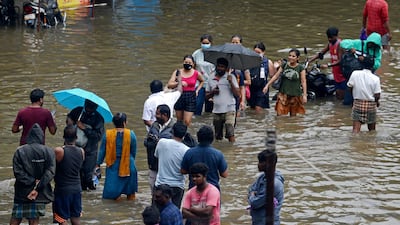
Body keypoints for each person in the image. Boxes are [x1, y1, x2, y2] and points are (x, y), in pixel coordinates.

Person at [10, 123, 56, 225]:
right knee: (34, 219)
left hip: (22, 192)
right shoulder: (49, 151)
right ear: (41, 137)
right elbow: (50, 172)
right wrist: (38, 186)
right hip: (39, 193)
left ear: (29, 137)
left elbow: (18, 172)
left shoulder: (20, 151)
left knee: (16, 218)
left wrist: (31, 181)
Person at [96, 112, 138, 200]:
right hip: (128, 165)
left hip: (113, 165)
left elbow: (102, 152)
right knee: (130, 194)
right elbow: (133, 152)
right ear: (124, 123)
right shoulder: (131, 134)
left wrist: (98, 164)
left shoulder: (107, 134)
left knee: (112, 194)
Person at [66, 99, 105, 191]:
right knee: (73, 173)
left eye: (90, 109)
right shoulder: (77, 111)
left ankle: (89, 189)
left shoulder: (98, 119)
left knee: (87, 175)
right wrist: (70, 122)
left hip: (90, 151)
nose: (88, 110)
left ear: (95, 108)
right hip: (74, 149)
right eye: (86, 107)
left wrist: (84, 128)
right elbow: (69, 120)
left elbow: (98, 136)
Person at [53, 125, 85, 225]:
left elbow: (51, 167)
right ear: (76, 137)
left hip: (63, 190)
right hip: (76, 189)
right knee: (75, 219)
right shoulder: (81, 151)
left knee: (62, 219)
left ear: (63, 137)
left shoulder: (59, 151)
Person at [181, 125, 228, 191]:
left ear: (198, 137)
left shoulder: (189, 152)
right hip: (213, 190)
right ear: (212, 138)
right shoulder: (218, 154)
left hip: (194, 189)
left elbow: (183, 171)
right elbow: (224, 174)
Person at [340, 32, 382, 105]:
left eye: (373, 44)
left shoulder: (377, 51)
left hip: (368, 73)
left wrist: (364, 60)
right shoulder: (359, 43)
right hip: (354, 71)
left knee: (365, 93)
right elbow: (343, 43)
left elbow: (377, 64)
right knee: (349, 98)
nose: (370, 45)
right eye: (370, 43)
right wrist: (350, 48)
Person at [154, 121, 190, 208]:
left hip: (161, 184)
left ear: (172, 131)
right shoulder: (187, 150)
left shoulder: (162, 142)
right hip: (177, 186)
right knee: (174, 214)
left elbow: (156, 156)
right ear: (184, 135)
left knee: (156, 214)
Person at [263, 49, 307, 116]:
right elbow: (276, 76)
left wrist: (304, 95)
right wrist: (267, 85)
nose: (291, 57)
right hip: (283, 94)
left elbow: (303, 81)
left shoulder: (300, 68)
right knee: (279, 115)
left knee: (293, 117)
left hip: (295, 95)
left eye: (293, 56)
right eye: (289, 55)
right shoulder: (284, 65)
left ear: (298, 58)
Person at [205, 57, 240, 142]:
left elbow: (237, 94)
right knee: (217, 136)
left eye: (222, 67)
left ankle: (232, 151)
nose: (220, 68)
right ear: (216, 66)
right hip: (217, 110)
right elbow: (206, 97)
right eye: (219, 66)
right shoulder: (211, 78)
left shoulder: (231, 77)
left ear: (226, 68)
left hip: (229, 109)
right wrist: (213, 92)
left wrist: (231, 82)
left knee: (230, 131)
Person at [248, 149, 285, 225]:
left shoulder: (273, 184)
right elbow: (251, 190)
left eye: (261, 162)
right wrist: (252, 194)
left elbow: (255, 203)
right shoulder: (262, 177)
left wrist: (253, 195)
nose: (258, 164)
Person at [144, 104, 175, 192]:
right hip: (154, 165)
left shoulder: (174, 128)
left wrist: (160, 142)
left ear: (164, 115)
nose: (155, 116)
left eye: (157, 114)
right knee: (153, 190)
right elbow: (146, 142)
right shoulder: (154, 126)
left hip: (167, 168)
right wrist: (153, 142)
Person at [309, 27, 346, 100]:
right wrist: (310, 60)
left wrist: (328, 65)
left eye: (331, 38)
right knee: (338, 94)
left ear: (336, 36)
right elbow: (321, 53)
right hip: (335, 72)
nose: (329, 39)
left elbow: (340, 60)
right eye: (328, 38)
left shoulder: (340, 45)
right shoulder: (330, 44)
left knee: (341, 96)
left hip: (342, 73)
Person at [167, 55, 205, 127]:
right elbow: (169, 85)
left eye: (190, 63)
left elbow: (202, 81)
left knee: (187, 121)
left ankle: (185, 135)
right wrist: (179, 83)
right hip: (179, 96)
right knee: (179, 121)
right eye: (186, 62)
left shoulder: (196, 73)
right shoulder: (177, 72)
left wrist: (197, 90)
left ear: (193, 64)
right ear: (183, 62)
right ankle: (179, 135)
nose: (188, 64)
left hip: (190, 97)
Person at [347, 57, 381, 133]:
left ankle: (354, 143)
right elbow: (377, 95)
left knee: (355, 130)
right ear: (372, 66)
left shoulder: (355, 73)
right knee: (372, 130)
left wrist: (354, 96)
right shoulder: (375, 78)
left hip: (358, 103)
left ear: (362, 64)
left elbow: (349, 87)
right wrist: (377, 102)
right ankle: (370, 143)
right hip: (371, 105)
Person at [249, 42, 276, 112]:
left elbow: (272, 76)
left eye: (258, 52)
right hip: (251, 88)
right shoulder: (249, 62)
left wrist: (267, 85)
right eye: (255, 52)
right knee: (251, 108)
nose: (256, 54)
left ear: (263, 52)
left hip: (262, 88)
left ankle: (260, 121)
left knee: (258, 109)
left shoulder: (268, 62)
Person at [192, 34, 215, 115]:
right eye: (203, 43)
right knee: (197, 106)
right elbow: (193, 68)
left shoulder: (215, 54)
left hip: (211, 84)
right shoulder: (196, 54)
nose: (205, 45)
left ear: (211, 43)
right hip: (199, 84)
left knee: (209, 109)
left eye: (207, 43)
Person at [230, 34, 251, 115]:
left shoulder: (243, 60)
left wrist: (237, 81)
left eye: (237, 43)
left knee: (238, 114)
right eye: (233, 43)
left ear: (241, 44)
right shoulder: (227, 57)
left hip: (240, 90)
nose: (234, 45)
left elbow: (249, 81)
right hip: (228, 89)